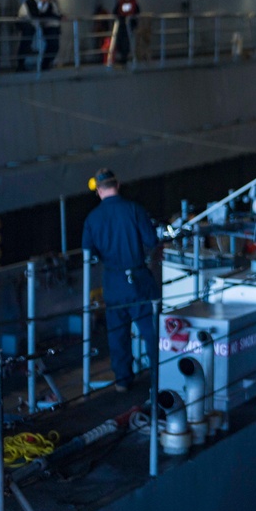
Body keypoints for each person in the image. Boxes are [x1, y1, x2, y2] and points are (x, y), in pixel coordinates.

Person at [81, 168, 161, 392]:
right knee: (151, 331)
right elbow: (151, 240)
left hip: (113, 283)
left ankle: (123, 381)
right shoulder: (134, 210)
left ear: (98, 191)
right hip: (139, 280)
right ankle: (160, 376)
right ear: (118, 185)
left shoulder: (92, 218)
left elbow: (89, 253)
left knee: (117, 334)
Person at [17, 0, 62, 71]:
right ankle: (20, 65)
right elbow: (35, 14)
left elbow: (47, 13)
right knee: (25, 43)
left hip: (33, 24)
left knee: (27, 42)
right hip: (24, 22)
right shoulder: (32, 1)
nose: (48, 1)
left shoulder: (46, 3)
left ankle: (41, 65)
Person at [112, 0, 140, 65]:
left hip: (130, 26)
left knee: (127, 42)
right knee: (120, 41)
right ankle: (122, 56)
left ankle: (125, 57)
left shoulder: (134, 4)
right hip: (121, 26)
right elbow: (115, 12)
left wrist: (134, 23)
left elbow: (137, 13)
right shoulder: (120, 3)